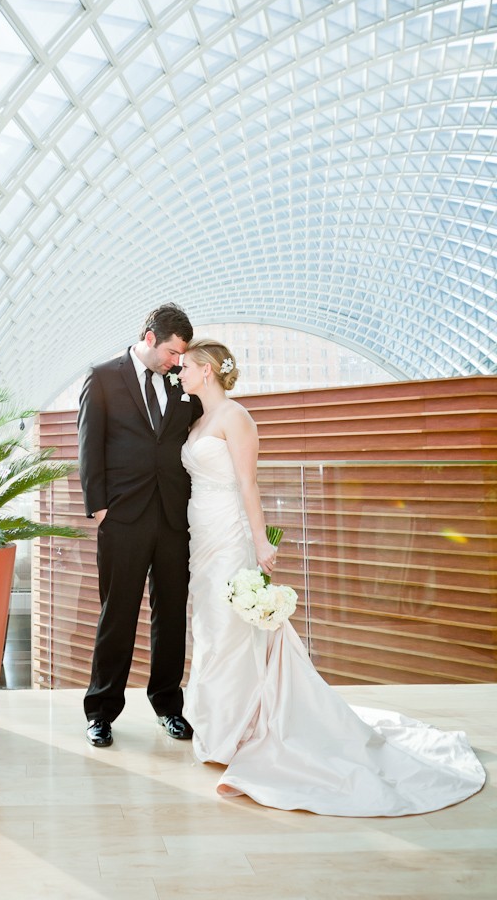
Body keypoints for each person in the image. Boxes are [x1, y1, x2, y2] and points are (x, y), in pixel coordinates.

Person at [179, 338, 486, 815]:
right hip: (201, 536)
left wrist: (261, 542)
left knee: (227, 632)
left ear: (208, 370)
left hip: (230, 537)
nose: (180, 373)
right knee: (208, 628)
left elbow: (248, 483)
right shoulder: (197, 421)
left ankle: (234, 731)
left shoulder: (235, 417)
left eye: (186, 367)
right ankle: (221, 726)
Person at [78, 303, 202, 747]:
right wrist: (99, 506)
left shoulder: (181, 383)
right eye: (171, 351)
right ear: (149, 338)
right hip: (123, 516)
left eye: (181, 355)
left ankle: (169, 706)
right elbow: (89, 443)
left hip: (173, 516)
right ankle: (101, 712)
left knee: (171, 616)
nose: (176, 361)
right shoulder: (104, 376)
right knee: (118, 614)